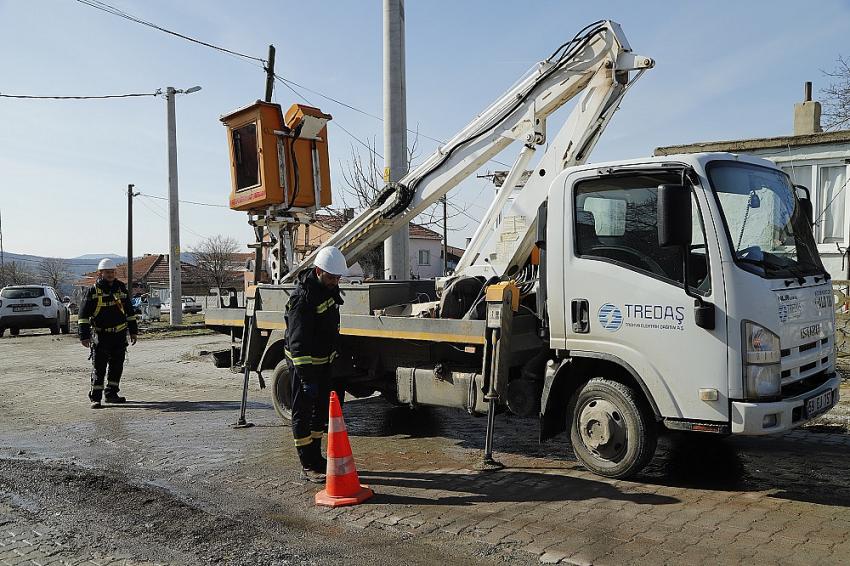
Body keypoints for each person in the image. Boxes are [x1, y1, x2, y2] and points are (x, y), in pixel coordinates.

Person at [284, 246, 347, 482]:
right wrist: (306, 377)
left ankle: (317, 457)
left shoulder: (327, 290)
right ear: (319, 271)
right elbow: (298, 344)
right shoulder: (302, 298)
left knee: (320, 413)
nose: (335, 282)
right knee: (303, 413)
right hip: (305, 367)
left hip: (323, 365)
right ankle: (307, 464)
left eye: (338, 278)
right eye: (331, 277)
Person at [78, 258, 138, 409]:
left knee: (117, 367)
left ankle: (112, 394)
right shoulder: (92, 291)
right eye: (107, 272)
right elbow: (83, 316)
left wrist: (133, 331)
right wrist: (84, 336)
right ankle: (96, 398)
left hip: (119, 335)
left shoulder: (121, 288)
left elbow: (130, 312)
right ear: (100, 273)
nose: (110, 274)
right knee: (99, 367)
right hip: (101, 336)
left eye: (112, 272)